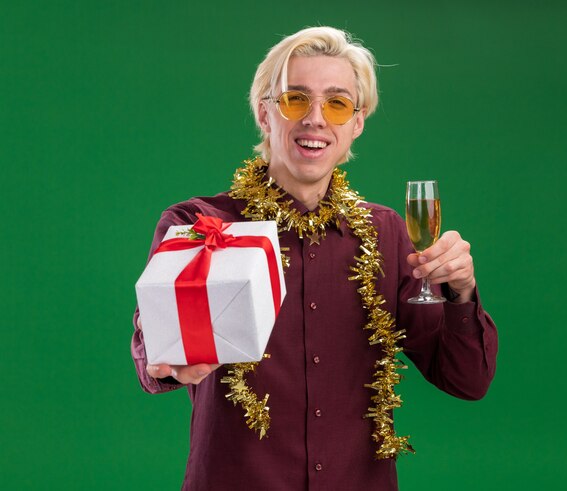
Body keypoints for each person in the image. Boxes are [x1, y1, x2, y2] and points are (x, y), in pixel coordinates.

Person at [132, 26, 498, 491]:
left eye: (338, 103)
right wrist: (170, 361)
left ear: (357, 124)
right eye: (295, 100)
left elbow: (466, 380)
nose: (316, 119)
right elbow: (155, 346)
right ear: (265, 114)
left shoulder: (388, 235)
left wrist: (461, 292)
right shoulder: (201, 225)